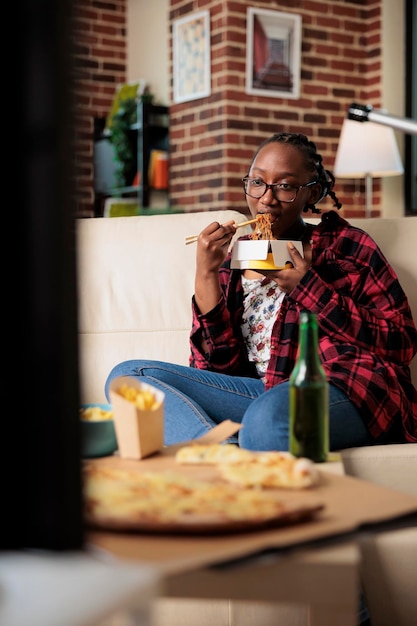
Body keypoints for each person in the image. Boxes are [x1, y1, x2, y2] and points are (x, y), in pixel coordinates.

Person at [105, 132, 417, 451]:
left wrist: (307, 288)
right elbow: (217, 369)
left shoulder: (347, 247)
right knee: (126, 378)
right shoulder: (235, 263)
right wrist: (207, 273)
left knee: (266, 418)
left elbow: (402, 343)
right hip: (262, 393)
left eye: (284, 186)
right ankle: (224, 456)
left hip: (345, 388)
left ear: (312, 194)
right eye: (257, 183)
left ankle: (232, 453)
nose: (266, 199)